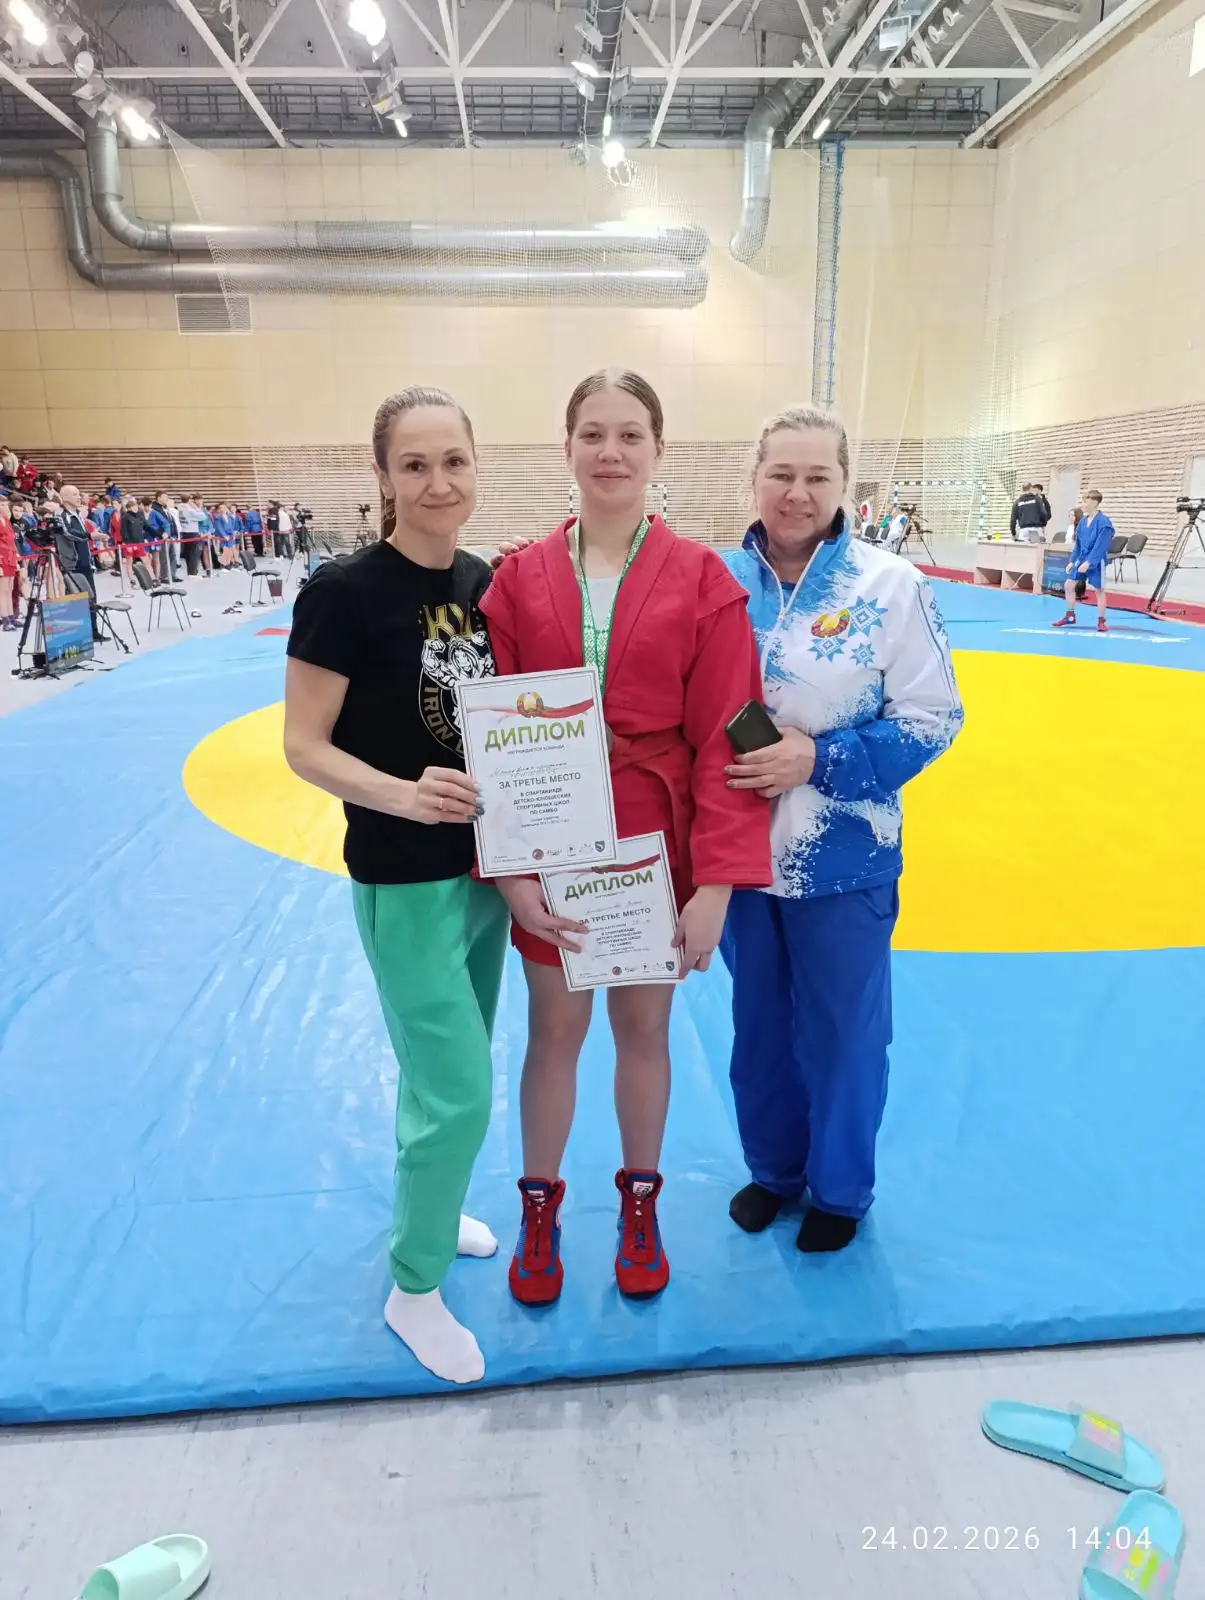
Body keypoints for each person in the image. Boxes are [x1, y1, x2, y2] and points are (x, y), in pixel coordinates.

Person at [482, 368, 771, 1307]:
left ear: (657, 450)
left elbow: (728, 734)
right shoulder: (516, 580)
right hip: (551, 834)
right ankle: (538, 1208)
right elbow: (492, 737)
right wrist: (511, 872)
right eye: (593, 434)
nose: (610, 452)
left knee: (643, 1030)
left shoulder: (703, 581)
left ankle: (639, 1204)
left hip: (656, 838)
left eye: (630, 435)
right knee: (552, 1034)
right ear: (566, 447)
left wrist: (714, 883)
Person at [283, 386, 506, 1386]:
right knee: (457, 1089)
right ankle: (412, 1286)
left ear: (475, 465)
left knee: (448, 1073)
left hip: (483, 873)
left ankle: (433, 1206)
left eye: (452, 460)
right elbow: (303, 745)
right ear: (383, 475)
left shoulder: (484, 581)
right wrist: (402, 796)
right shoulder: (343, 591)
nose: (437, 481)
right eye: (414, 464)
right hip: (403, 879)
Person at [720, 405, 963, 1253]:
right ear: (753, 480)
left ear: (843, 486)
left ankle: (839, 1189)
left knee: (844, 1037)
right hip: (736, 859)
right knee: (758, 1031)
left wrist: (817, 761)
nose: (796, 493)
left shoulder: (891, 586)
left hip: (845, 857)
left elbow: (933, 717)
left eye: (816, 476)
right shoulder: (713, 582)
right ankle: (773, 1171)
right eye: (780, 474)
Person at [1053, 489, 1113, 632]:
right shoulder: (1082, 522)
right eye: (1083, 501)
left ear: (1095, 502)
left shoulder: (1104, 523)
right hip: (1081, 558)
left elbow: (1101, 546)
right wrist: (1072, 561)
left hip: (1096, 560)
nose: (1083, 504)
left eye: (1086, 501)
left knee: (1099, 590)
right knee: (1069, 585)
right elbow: (1078, 545)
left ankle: (1101, 621)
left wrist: (1089, 562)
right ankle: (1070, 616)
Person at [0, 494, 19, 629]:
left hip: (10, 556)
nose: (4, 507)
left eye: (6, 504)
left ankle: (11, 616)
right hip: (1, 557)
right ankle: (5, 619)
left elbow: (12, 540)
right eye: (1, 505)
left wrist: (16, 559)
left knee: (9, 589)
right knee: (2, 590)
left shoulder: (6, 519)